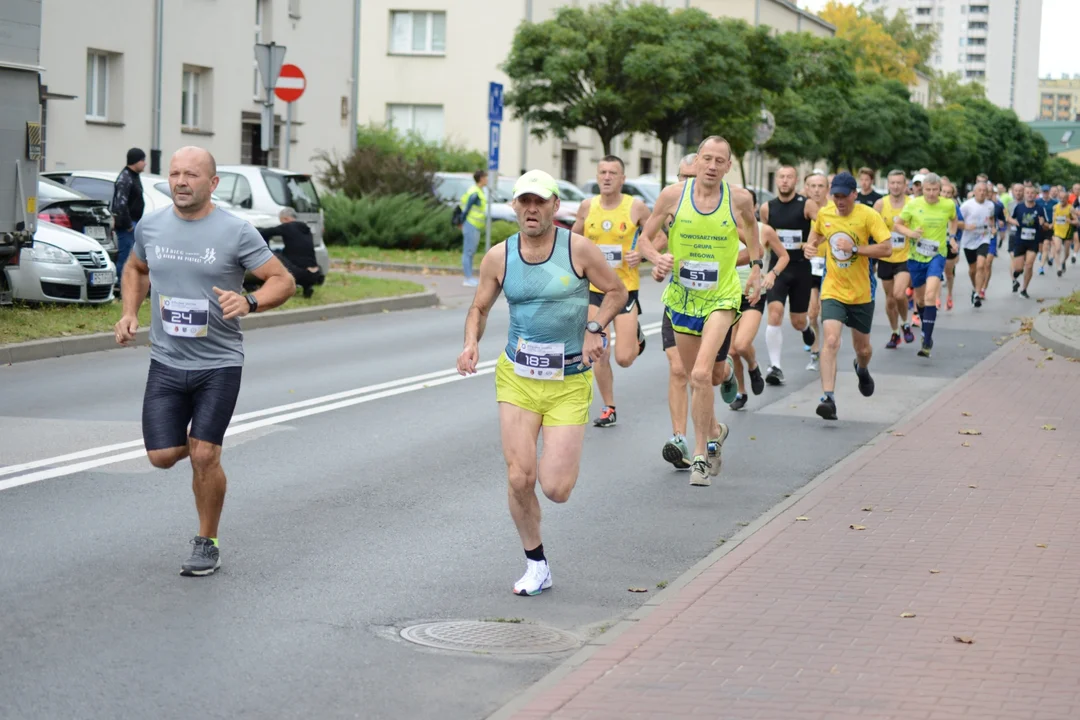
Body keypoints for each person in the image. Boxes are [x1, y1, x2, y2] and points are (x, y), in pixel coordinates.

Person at [113, 147, 295, 576]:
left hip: (219, 362)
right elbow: (136, 268)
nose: (180, 181)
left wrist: (249, 301)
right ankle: (196, 444)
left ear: (212, 184)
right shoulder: (152, 226)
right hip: (167, 361)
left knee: (204, 455)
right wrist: (128, 313)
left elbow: (283, 281)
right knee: (161, 456)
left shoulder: (235, 232)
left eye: (191, 175)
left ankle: (206, 541)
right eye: (175, 173)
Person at [456, 169, 626, 597]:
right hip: (518, 376)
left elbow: (617, 292)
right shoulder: (500, 256)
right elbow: (479, 307)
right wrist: (470, 344)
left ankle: (549, 502)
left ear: (554, 206)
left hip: (568, 380)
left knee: (556, 488)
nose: (532, 209)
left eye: (540, 202)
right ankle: (536, 564)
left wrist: (595, 325)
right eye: (524, 202)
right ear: (515, 207)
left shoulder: (578, 249)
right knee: (519, 478)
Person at [639, 136, 762, 487]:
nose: (711, 165)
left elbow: (753, 229)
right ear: (695, 164)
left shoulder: (738, 199)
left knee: (701, 374)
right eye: (705, 158)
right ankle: (716, 430)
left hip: (722, 296)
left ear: (728, 166)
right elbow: (644, 240)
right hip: (682, 298)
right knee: (695, 373)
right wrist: (656, 258)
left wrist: (755, 266)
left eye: (718, 160)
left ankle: (700, 456)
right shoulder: (672, 196)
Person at [802, 172, 892, 420]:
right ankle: (828, 398)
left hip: (862, 291)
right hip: (832, 288)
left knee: (862, 349)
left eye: (844, 196)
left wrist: (855, 249)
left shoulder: (868, 215)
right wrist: (810, 246)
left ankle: (861, 369)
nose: (840, 201)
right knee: (830, 341)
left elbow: (886, 248)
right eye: (836, 196)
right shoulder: (825, 213)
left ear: (855, 194)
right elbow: (817, 234)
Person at [572, 155, 650, 428]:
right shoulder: (587, 207)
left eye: (612, 173)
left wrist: (641, 253)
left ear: (622, 179)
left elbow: (658, 236)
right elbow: (573, 240)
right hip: (595, 290)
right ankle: (609, 407)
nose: (606, 177)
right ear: (597, 176)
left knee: (624, 358)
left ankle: (636, 337)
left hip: (625, 290)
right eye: (602, 172)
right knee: (598, 351)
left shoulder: (635, 207)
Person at [759, 166, 820, 386]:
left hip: (801, 268)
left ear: (796, 181)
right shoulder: (768, 208)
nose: (785, 181)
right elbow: (762, 237)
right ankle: (775, 366)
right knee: (774, 313)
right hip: (778, 269)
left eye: (789, 177)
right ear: (776, 181)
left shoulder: (806, 205)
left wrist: (812, 244)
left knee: (797, 321)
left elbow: (822, 225)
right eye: (781, 177)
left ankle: (805, 329)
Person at [730, 193, 788, 411]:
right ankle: (741, 391)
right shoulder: (721, 227)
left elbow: (783, 256)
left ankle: (753, 366)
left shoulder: (764, 230)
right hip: (726, 294)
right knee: (732, 352)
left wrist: (772, 274)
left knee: (742, 345)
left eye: (742, 206)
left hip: (752, 294)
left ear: (752, 207)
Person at [894, 172, 958, 358]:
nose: (931, 193)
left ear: (940, 190)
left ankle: (927, 340)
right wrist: (911, 233)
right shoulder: (913, 204)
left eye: (935, 190)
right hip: (916, 257)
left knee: (931, 295)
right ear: (922, 189)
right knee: (920, 300)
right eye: (928, 190)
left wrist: (952, 236)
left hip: (937, 255)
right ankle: (925, 327)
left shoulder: (947, 204)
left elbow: (953, 220)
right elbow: (898, 224)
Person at [873, 170, 915, 349]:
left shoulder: (911, 204)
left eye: (899, 183)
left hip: (905, 256)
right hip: (885, 257)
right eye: (892, 183)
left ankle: (906, 322)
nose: (896, 186)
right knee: (890, 299)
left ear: (905, 185)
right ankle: (895, 332)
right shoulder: (880, 204)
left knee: (899, 294)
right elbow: (871, 229)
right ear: (888, 185)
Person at [257, 208, 324, 298]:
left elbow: (265, 232)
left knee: (272, 255)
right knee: (295, 256)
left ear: (286, 219)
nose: (281, 224)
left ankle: (274, 286)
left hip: (298, 273)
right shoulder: (306, 229)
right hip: (315, 273)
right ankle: (307, 286)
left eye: (281, 221)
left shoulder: (287, 226)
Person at [802, 170, 830, 371]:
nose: (817, 190)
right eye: (813, 186)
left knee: (827, 313)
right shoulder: (801, 211)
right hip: (810, 265)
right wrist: (804, 245)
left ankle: (829, 347)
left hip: (832, 266)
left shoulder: (834, 210)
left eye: (821, 186)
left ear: (827, 189)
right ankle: (814, 351)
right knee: (812, 312)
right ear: (806, 189)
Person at [110, 147, 147, 293]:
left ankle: (130, 284)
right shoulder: (125, 178)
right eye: (142, 160)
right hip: (128, 225)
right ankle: (120, 286)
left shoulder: (134, 176)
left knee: (134, 256)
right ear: (135, 161)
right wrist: (127, 225)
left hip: (135, 222)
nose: (145, 164)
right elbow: (120, 204)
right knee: (125, 256)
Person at [958, 180, 995, 307]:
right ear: (974, 192)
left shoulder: (990, 205)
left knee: (981, 265)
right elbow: (956, 222)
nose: (982, 193)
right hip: (969, 240)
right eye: (980, 190)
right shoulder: (966, 206)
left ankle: (978, 294)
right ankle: (975, 288)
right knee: (972, 270)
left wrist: (993, 226)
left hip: (983, 238)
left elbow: (991, 218)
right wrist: (967, 226)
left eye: (985, 191)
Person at [1008, 185, 1045, 298]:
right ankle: (1017, 272)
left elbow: (1045, 224)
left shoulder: (1039, 208)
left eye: (1032, 193)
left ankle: (1024, 289)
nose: (1030, 195)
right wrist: (1013, 222)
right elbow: (1010, 218)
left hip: (1033, 241)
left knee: (1029, 265)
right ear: (1024, 194)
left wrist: (1043, 223)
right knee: (1019, 268)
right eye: (1027, 193)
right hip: (1020, 240)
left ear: (1035, 195)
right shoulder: (1019, 207)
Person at [458, 170, 489, 287]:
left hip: (474, 225)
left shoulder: (479, 191)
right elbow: (466, 209)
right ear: (481, 178)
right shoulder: (475, 192)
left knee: (471, 251)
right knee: (468, 251)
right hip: (470, 224)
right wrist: (462, 222)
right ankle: (467, 278)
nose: (487, 179)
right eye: (486, 177)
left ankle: (469, 277)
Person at [940, 179, 961, 310]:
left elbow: (959, 223)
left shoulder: (954, 207)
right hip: (936, 242)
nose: (946, 195)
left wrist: (954, 240)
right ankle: (936, 298)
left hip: (950, 242)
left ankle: (949, 294)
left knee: (948, 272)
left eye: (949, 193)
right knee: (936, 272)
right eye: (944, 192)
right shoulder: (933, 205)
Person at [1052, 187, 1076, 276]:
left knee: (1066, 253)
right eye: (1060, 198)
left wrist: (1070, 221)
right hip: (1057, 232)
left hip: (1068, 232)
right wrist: (1052, 227)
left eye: (1064, 198)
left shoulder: (1071, 208)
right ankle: (1059, 268)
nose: (1062, 200)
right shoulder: (1055, 207)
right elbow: (1053, 219)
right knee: (1057, 249)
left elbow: (1077, 221)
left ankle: (1063, 262)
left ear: (1067, 199)